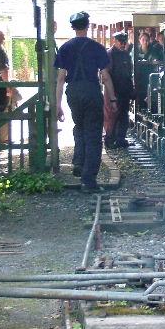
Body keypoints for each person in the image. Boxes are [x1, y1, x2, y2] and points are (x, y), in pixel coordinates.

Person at [54, 11, 116, 193]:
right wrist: (112, 98)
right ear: (87, 26)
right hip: (91, 91)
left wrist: (58, 105)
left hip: (72, 92)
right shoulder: (97, 48)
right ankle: (89, 181)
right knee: (94, 134)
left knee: (79, 126)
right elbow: (105, 77)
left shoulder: (65, 48)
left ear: (73, 27)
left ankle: (79, 162)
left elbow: (60, 79)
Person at [104, 31, 134, 149]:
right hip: (114, 89)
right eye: (120, 42)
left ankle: (121, 138)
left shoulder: (126, 55)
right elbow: (106, 74)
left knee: (123, 115)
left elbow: (128, 73)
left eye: (124, 42)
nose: (122, 44)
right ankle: (109, 139)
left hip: (124, 89)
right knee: (112, 115)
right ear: (115, 41)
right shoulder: (109, 54)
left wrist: (131, 89)